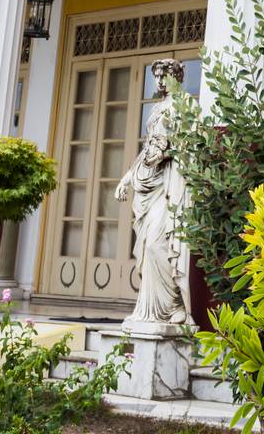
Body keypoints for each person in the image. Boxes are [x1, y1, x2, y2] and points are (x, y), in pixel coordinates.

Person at [115, 60, 190, 328]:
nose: (159, 81)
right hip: (150, 183)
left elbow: (191, 144)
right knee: (148, 245)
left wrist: (167, 153)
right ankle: (151, 311)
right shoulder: (157, 108)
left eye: (165, 75)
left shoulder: (185, 105)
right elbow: (147, 148)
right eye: (156, 76)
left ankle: (175, 305)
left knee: (162, 243)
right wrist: (126, 179)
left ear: (177, 77)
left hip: (170, 185)